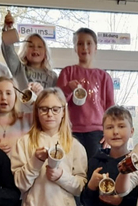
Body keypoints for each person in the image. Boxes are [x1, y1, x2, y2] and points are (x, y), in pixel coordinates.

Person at [80, 105, 138, 206]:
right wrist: (91, 186)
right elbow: (86, 203)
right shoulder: (96, 161)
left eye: (121, 126)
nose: (116, 132)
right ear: (103, 132)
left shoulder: (136, 162)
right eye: (110, 127)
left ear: (131, 131)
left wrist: (121, 202)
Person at [57, 28, 115, 159]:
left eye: (89, 43)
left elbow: (110, 108)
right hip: (71, 131)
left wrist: (110, 131)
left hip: (97, 132)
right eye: (80, 43)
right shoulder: (67, 72)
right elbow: (57, 102)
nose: (84, 47)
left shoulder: (104, 77)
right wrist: (68, 89)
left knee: (94, 169)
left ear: (96, 48)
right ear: (75, 48)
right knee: (73, 168)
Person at [1, 11, 57, 91]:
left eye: (40, 46)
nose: (35, 48)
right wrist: (8, 28)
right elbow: (8, 51)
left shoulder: (53, 76)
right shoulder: (19, 69)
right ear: (24, 51)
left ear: (45, 54)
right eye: (30, 46)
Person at [0, 76, 32, 156]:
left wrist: (36, 95)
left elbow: (44, 109)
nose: (3, 97)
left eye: (8, 93)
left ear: (16, 96)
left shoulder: (27, 119)